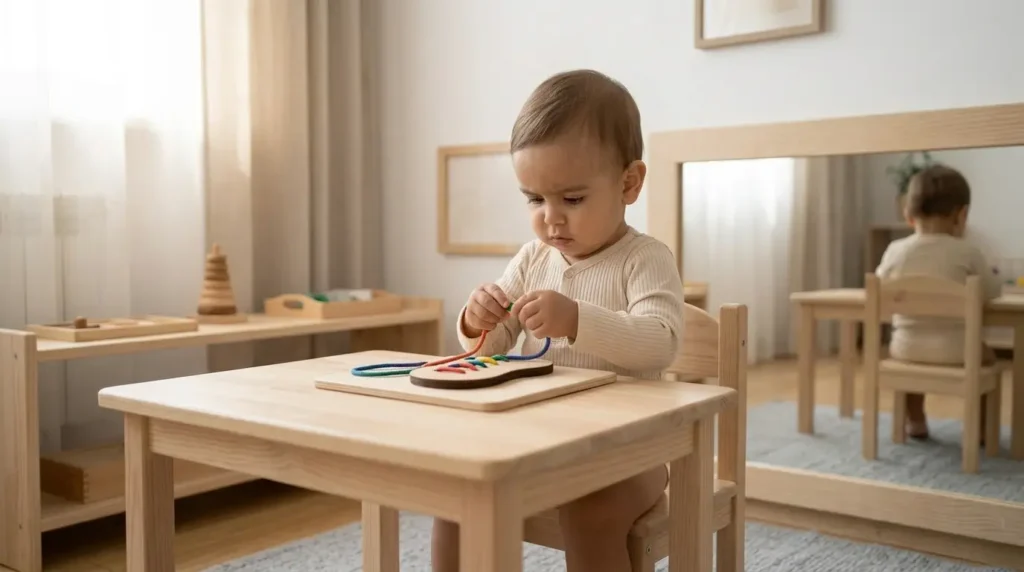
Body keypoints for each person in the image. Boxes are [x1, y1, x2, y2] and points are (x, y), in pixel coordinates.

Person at [431, 69, 685, 572]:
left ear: (629, 184)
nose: (551, 218)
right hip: (540, 441)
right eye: (534, 199)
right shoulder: (532, 258)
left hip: (630, 451)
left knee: (590, 514)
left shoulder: (646, 259)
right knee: (456, 498)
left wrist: (576, 319)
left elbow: (661, 342)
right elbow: (491, 348)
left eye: (571, 199)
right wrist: (475, 319)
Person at [876, 164, 1002, 439]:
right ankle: (980, 430)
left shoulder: (894, 251)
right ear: (962, 215)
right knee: (990, 357)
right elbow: (992, 291)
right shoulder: (968, 252)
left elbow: (880, 286)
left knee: (910, 357)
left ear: (907, 213)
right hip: (958, 351)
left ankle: (916, 422)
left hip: (905, 349)